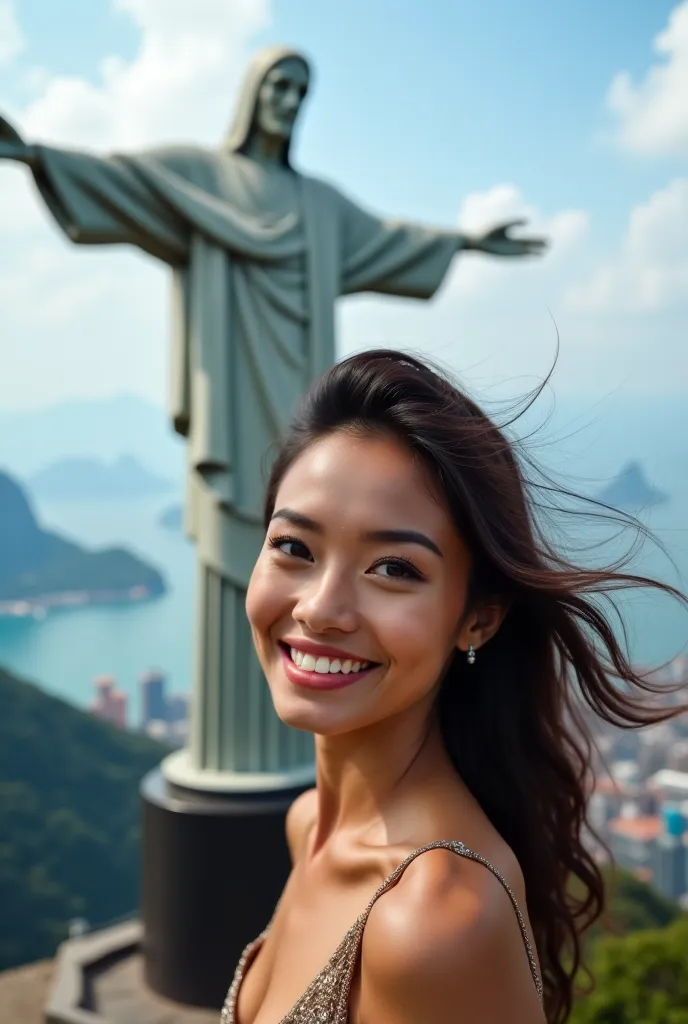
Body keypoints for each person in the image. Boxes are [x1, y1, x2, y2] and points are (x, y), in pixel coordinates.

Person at [0, 48, 547, 781]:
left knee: (313, 546)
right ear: (253, 94)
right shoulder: (201, 178)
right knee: (267, 563)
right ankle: (249, 753)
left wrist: (466, 242)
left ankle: (297, 745)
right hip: (229, 406)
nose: (289, 100)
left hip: (303, 409)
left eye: (302, 89)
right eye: (279, 85)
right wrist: (34, 155)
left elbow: (389, 239)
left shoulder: (319, 208)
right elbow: (120, 182)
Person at [222, 349, 688, 1023]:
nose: (321, 609)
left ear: (476, 618)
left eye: (393, 568)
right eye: (294, 547)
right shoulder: (310, 827)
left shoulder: (434, 920)